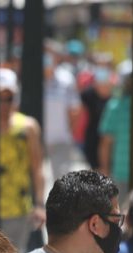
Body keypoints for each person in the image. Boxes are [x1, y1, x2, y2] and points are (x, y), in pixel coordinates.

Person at [0, 68, 46, 253]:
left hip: (18, 207)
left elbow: (37, 167)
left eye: (7, 98)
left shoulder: (27, 127)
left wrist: (40, 204)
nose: (3, 104)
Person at [44, 40, 82, 182]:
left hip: (61, 141)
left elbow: (75, 109)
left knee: (61, 182)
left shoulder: (66, 79)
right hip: (37, 142)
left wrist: (68, 131)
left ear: (57, 57)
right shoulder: (31, 78)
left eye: (50, 53)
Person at [99, 60, 133, 200]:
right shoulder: (114, 106)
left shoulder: (114, 106)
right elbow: (106, 143)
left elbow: (105, 143)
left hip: (124, 173)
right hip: (121, 174)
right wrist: (105, 172)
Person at [80, 56, 115, 171]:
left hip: (113, 144)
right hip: (92, 142)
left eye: (105, 67)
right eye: (99, 67)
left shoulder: (117, 93)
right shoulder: (87, 94)